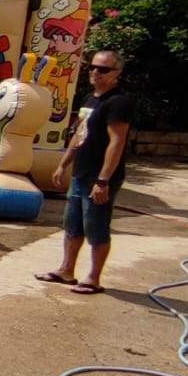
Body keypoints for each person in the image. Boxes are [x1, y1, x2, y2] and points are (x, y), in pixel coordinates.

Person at [36, 49, 135, 295]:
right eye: (92, 67)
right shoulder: (91, 99)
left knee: (96, 226)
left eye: (103, 69)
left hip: (99, 177)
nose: (95, 73)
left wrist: (103, 180)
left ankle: (93, 278)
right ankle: (66, 270)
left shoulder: (118, 102)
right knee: (73, 225)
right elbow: (80, 135)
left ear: (117, 73)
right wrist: (63, 164)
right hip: (80, 173)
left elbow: (117, 141)